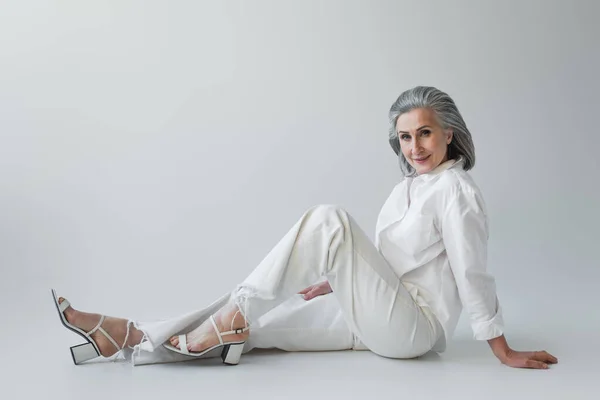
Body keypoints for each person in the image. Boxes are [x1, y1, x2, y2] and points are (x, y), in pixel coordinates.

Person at [51, 86, 558, 369]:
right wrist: (340, 278)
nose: (414, 147)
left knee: (330, 219)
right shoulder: (408, 188)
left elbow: (472, 275)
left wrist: (501, 348)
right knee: (252, 334)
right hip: (376, 315)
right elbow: (391, 261)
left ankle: (232, 312)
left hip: (411, 330)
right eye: (404, 137)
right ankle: (129, 337)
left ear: (450, 133)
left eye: (424, 133)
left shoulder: (456, 192)